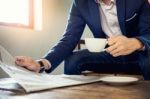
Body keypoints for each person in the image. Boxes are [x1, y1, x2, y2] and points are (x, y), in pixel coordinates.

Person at [15, 0, 150, 80]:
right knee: (74, 59)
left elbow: (148, 33)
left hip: (140, 54)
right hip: (110, 54)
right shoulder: (80, 3)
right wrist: (41, 64)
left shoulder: (138, 1)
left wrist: (136, 43)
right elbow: (69, 38)